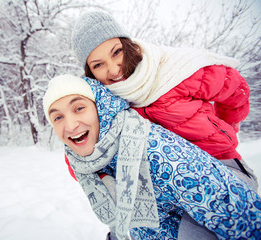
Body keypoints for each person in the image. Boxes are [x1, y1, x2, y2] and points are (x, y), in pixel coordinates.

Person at [43, 74, 261, 240]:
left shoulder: (150, 146)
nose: (70, 125)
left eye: (79, 108)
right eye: (58, 117)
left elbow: (239, 211)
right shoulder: (88, 163)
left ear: (99, 108)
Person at [70, 10, 258, 192]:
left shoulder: (175, 69)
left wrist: (227, 125)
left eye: (116, 52)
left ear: (126, 45)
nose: (113, 70)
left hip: (220, 165)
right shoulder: (100, 102)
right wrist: (102, 178)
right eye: (98, 64)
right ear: (91, 72)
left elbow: (235, 87)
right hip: (167, 189)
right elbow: (79, 152)